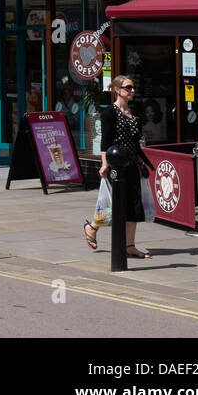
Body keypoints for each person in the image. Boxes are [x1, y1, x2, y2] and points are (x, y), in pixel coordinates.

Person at [85, 75, 155, 258]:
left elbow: (135, 143)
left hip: (132, 163)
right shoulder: (109, 112)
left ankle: (129, 245)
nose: (132, 90)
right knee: (114, 203)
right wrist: (105, 164)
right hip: (116, 164)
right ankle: (92, 226)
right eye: (128, 87)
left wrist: (142, 163)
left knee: (134, 205)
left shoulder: (133, 112)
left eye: (133, 87)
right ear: (117, 90)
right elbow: (105, 141)